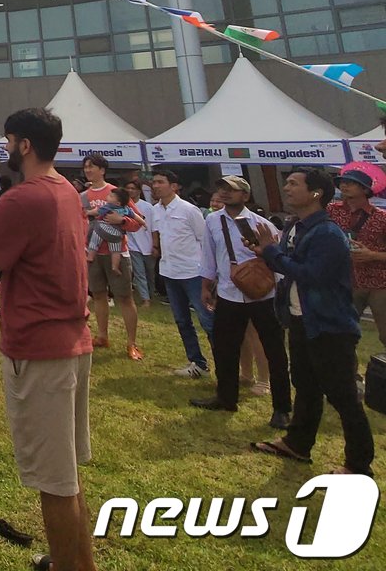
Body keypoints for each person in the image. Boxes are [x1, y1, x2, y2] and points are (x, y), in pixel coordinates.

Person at [0, 108, 97, 571]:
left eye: (7, 142)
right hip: (69, 339)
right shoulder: (67, 191)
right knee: (67, 476)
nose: (4, 150)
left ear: (23, 144)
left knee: (55, 482)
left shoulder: (26, 198)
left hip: (40, 349)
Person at [249, 168, 373, 476]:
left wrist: (272, 254)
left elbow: (312, 275)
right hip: (303, 320)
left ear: (316, 193)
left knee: (343, 396)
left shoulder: (328, 234)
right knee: (305, 386)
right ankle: (298, 443)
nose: (286, 188)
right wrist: (268, 253)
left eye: (294, 184)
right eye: (286, 183)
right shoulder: (297, 226)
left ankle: (359, 467)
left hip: (329, 326)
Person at [189, 176, 292, 428]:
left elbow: (277, 259)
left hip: (262, 294)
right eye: (222, 188)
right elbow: (210, 254)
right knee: (225, 347)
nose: (224, 193)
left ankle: (281, 408)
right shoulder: (213, 220)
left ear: (245, 196)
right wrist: (206, 284)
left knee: (274, 350)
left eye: (231, 190)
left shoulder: (262, 224)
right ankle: (226, 397)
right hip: (228, 292)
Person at [149, 168, 215, 378]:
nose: (156, 186)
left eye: (161, 182)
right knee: (182, 321)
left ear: (174, 186)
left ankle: (225, 361)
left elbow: (204, 240)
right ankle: (197, 363)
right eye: (154, 182)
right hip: (169, 271)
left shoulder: (189, 210)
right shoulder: (155, 210)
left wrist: (208, 273)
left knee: (207, 320)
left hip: (193, 272)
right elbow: (158, 236)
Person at [80, 154, 143, 360]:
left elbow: (136, 222)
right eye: (86, 167)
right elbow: (80, 221)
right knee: (98, 294)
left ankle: (132, 343)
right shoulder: (83, 196)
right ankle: (102, 335)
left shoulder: (115, 193)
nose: (88, 170)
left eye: (92, 167)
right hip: (93, 252)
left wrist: (121, 220)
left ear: (103, 170)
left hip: (117, 251)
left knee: (124, 297)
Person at [327, 161, 386, 353]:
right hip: (345, 280)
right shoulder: (331, 211)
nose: (343, 185)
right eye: (342, 182)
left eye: (350, 183)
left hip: (379, 282)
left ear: (365, 190)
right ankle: (350, 375)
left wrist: (372, 255)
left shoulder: (381, 217)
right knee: (344, 333)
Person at [123, 178, 155, 306]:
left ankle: (151, 294)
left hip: (148, 244)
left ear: (138, 191)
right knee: (139, 272)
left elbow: (154, 228)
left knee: (150, 273)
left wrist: (156, 245)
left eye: (133, 189)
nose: (130, 191)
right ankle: (145, 299)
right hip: (132, 245)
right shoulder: (123, 206)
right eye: (128, 188)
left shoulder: (147, 207)